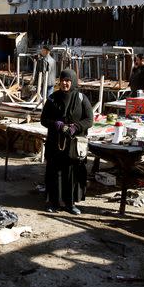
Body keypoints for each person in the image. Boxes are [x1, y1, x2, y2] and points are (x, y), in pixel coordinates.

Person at [40, 69, 94, 215]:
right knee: (54, 172)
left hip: (73, 144)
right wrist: (56, 124)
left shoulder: (82, 98)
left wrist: (76, 127)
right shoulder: (52, 98)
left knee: (72, 173)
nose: (65, 83)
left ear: (73, 81)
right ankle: (54, 203)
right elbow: (43, 119)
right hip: (55, 142)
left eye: (68, 80)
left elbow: (89, 120)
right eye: (63, 80)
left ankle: (70, 204)